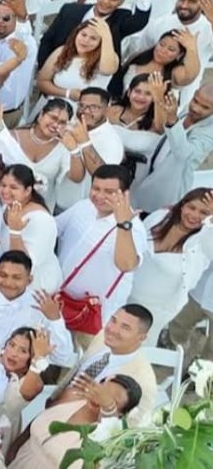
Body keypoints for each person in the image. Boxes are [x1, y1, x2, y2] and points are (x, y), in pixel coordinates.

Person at [57, 165, 149, 334]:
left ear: (125, 194)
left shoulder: (134, 228)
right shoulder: (84, 206)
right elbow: (53, 228)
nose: (99, 196)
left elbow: (126, 264)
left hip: (93, 316)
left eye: (109, 191)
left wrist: (123, 225)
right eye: (96, 188)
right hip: (60, 301)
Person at [127, 189, 213, 346]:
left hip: (154, 312)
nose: (194, 215)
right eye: (191, 207)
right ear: (182, 205)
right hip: (124, 294)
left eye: (203, 212)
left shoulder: (203, 242)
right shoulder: (160, 217)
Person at [0, 250, 74, 364]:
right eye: (3, 275)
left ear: (29, 280)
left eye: (16, 278)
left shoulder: (41, 306)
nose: (8, 283)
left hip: (18, 380)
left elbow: (62, 357)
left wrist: (55, 319)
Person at [49, 304, 157, 427]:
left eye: (125, 327)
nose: (113, 329)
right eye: (113, 320)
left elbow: (127, 429)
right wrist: (54, 399)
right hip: (53, 409)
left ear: (141, 337)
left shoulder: (144, 382)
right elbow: (78, 370)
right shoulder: (102, 336)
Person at [7, 374, 142, 468]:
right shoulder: (72, 396)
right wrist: (12, 451)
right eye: (101, 391)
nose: (99, 399)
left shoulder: (105, 439)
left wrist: (107, 408)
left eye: (111, 400)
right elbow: (35, 423)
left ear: (120, 414)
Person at [136, 84, 213, 212]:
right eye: (195, 101)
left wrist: (172, 120)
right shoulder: (190, 110)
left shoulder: (210, 132)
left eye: (205, 107)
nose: (195, 108)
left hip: (166, 192)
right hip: (149, 176)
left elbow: (183, 154)